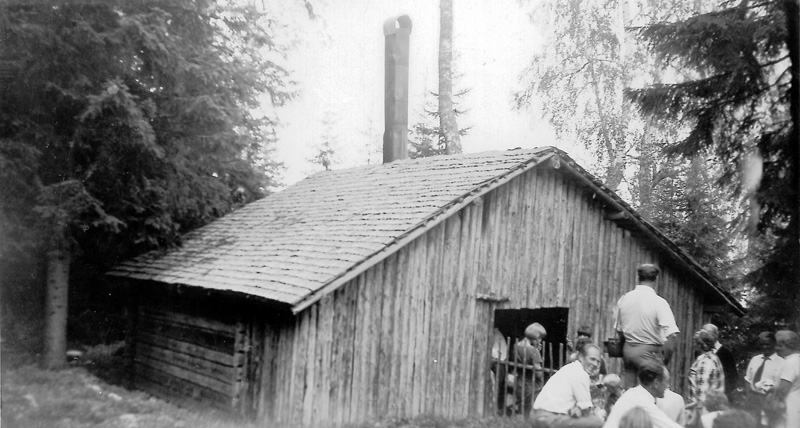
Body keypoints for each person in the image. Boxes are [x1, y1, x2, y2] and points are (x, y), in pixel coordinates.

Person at [613, 264, 679, 388]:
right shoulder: (658, 302)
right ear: (656, 279)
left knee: (629, 391)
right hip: (649, 353)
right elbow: (672, 335)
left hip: (628, 351)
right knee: (653, 390)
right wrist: (665, 360)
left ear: (638, 277)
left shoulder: (624, 299)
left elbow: (619, 330)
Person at [532, 344, 605, 428]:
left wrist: (578, 409)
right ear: (581, 357)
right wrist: (598, 412)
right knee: (597, 422)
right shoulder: (580, 374)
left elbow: (578, 407)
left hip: (536, 415)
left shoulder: (570, 368)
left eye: (598, 361)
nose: (595, 364)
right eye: (592, 359)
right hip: (548, 418)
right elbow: (586, 410)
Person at [603, 360, 682, 428]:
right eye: (666, 381)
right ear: (656, 383)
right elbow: (668, 426)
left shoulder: (636, 394)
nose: (668, 386)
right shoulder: (641, 400)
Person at [743, 331, 784, 426]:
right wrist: (749, 395)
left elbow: (781, 386)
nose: (764, 347)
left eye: (767, 344)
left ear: (774, 344)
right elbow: (748, 379)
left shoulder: (782, 363)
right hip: (752, 399)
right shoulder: (755, 359)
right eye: (762, 344)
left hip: (768, 401)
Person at [687, 329, 725, 419]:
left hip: (704, 410)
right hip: (713, 407)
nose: (693, 345)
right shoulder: (714, 358)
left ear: (700, 345)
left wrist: (699, 414)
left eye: (695, 342)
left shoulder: (705, 361)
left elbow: (702, 390)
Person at [514, 323, 546, 418]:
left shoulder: (516, 346)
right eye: (539, 338)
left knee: (522, 409)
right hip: (532, 385)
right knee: (530, 412)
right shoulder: (533, 351)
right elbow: (538, 374)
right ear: (534, 336)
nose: (540, 340)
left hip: (520, 382)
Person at [769, 330, 800, 428]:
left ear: (789, 345)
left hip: (786, 406)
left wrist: (769, 388)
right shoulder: (797, 359)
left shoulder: (789, 363)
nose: (776, 348)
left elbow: (783, 389)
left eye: (780, 345)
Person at [703, 323, 738, 402]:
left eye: (707, 335)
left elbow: (733, 376)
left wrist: (725, 393)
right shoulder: (702, 352)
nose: (704, 337)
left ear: (715, 335)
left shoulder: (726, 353)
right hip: (705, 396)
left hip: (722, 397)